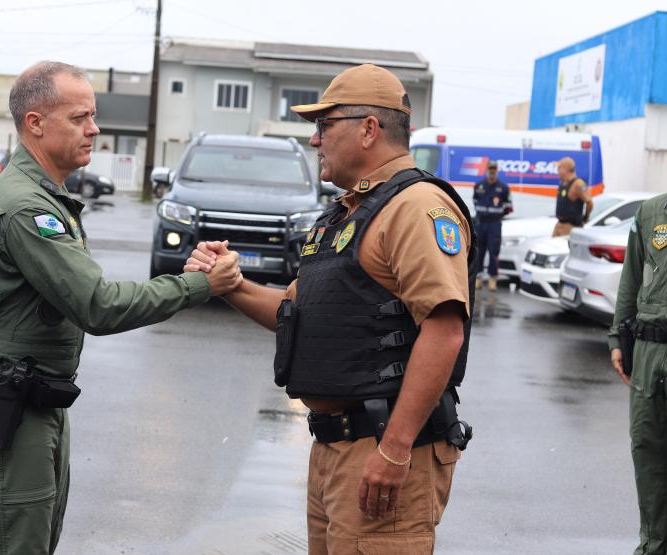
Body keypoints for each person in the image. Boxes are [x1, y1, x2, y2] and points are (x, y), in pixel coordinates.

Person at [0, 61, 242, 555]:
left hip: (33, 399)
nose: (95, 128)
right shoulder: (26, 207)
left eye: (93, 115)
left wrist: (192, 279)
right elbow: (97, 304)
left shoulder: (46, 196)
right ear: (35, 123)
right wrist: (196, 285)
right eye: (80, 116)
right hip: (11, 404)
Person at [186, 64, 476, 554]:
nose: (315, 140)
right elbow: (294, 311)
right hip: (336, 447)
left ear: (369, 129)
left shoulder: (415, 206)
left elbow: (444, 331)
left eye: (325, 125)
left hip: (382, 446)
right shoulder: (348, 213)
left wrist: (395, 448)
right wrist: (228, 284)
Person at [609, 128, 667, 555]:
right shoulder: (652, 214)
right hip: (650, 354)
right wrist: (620, 336)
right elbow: (630, 280)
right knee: (648, 453)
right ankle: (655, 545)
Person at [472, 160, 512, 291]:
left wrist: (497, 215)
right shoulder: (479, 186)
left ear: (497, 170)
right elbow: (475, 201)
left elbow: (508, 207)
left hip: (494, 224)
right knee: (479, 252)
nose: (492, 171)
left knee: (494, 252)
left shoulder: (503, 188)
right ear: (487, 170)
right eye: (490, 169)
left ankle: (492, 279)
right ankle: (478, 278)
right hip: (481, 224)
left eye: (494, 169)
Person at [552, 156, 593, 237]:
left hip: (570, 227)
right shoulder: (563, 183)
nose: (557, 171)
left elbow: (590, 203)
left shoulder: (578, 184)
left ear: (566, 169)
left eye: (559, 168)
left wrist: (585, 217)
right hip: (559, 224)